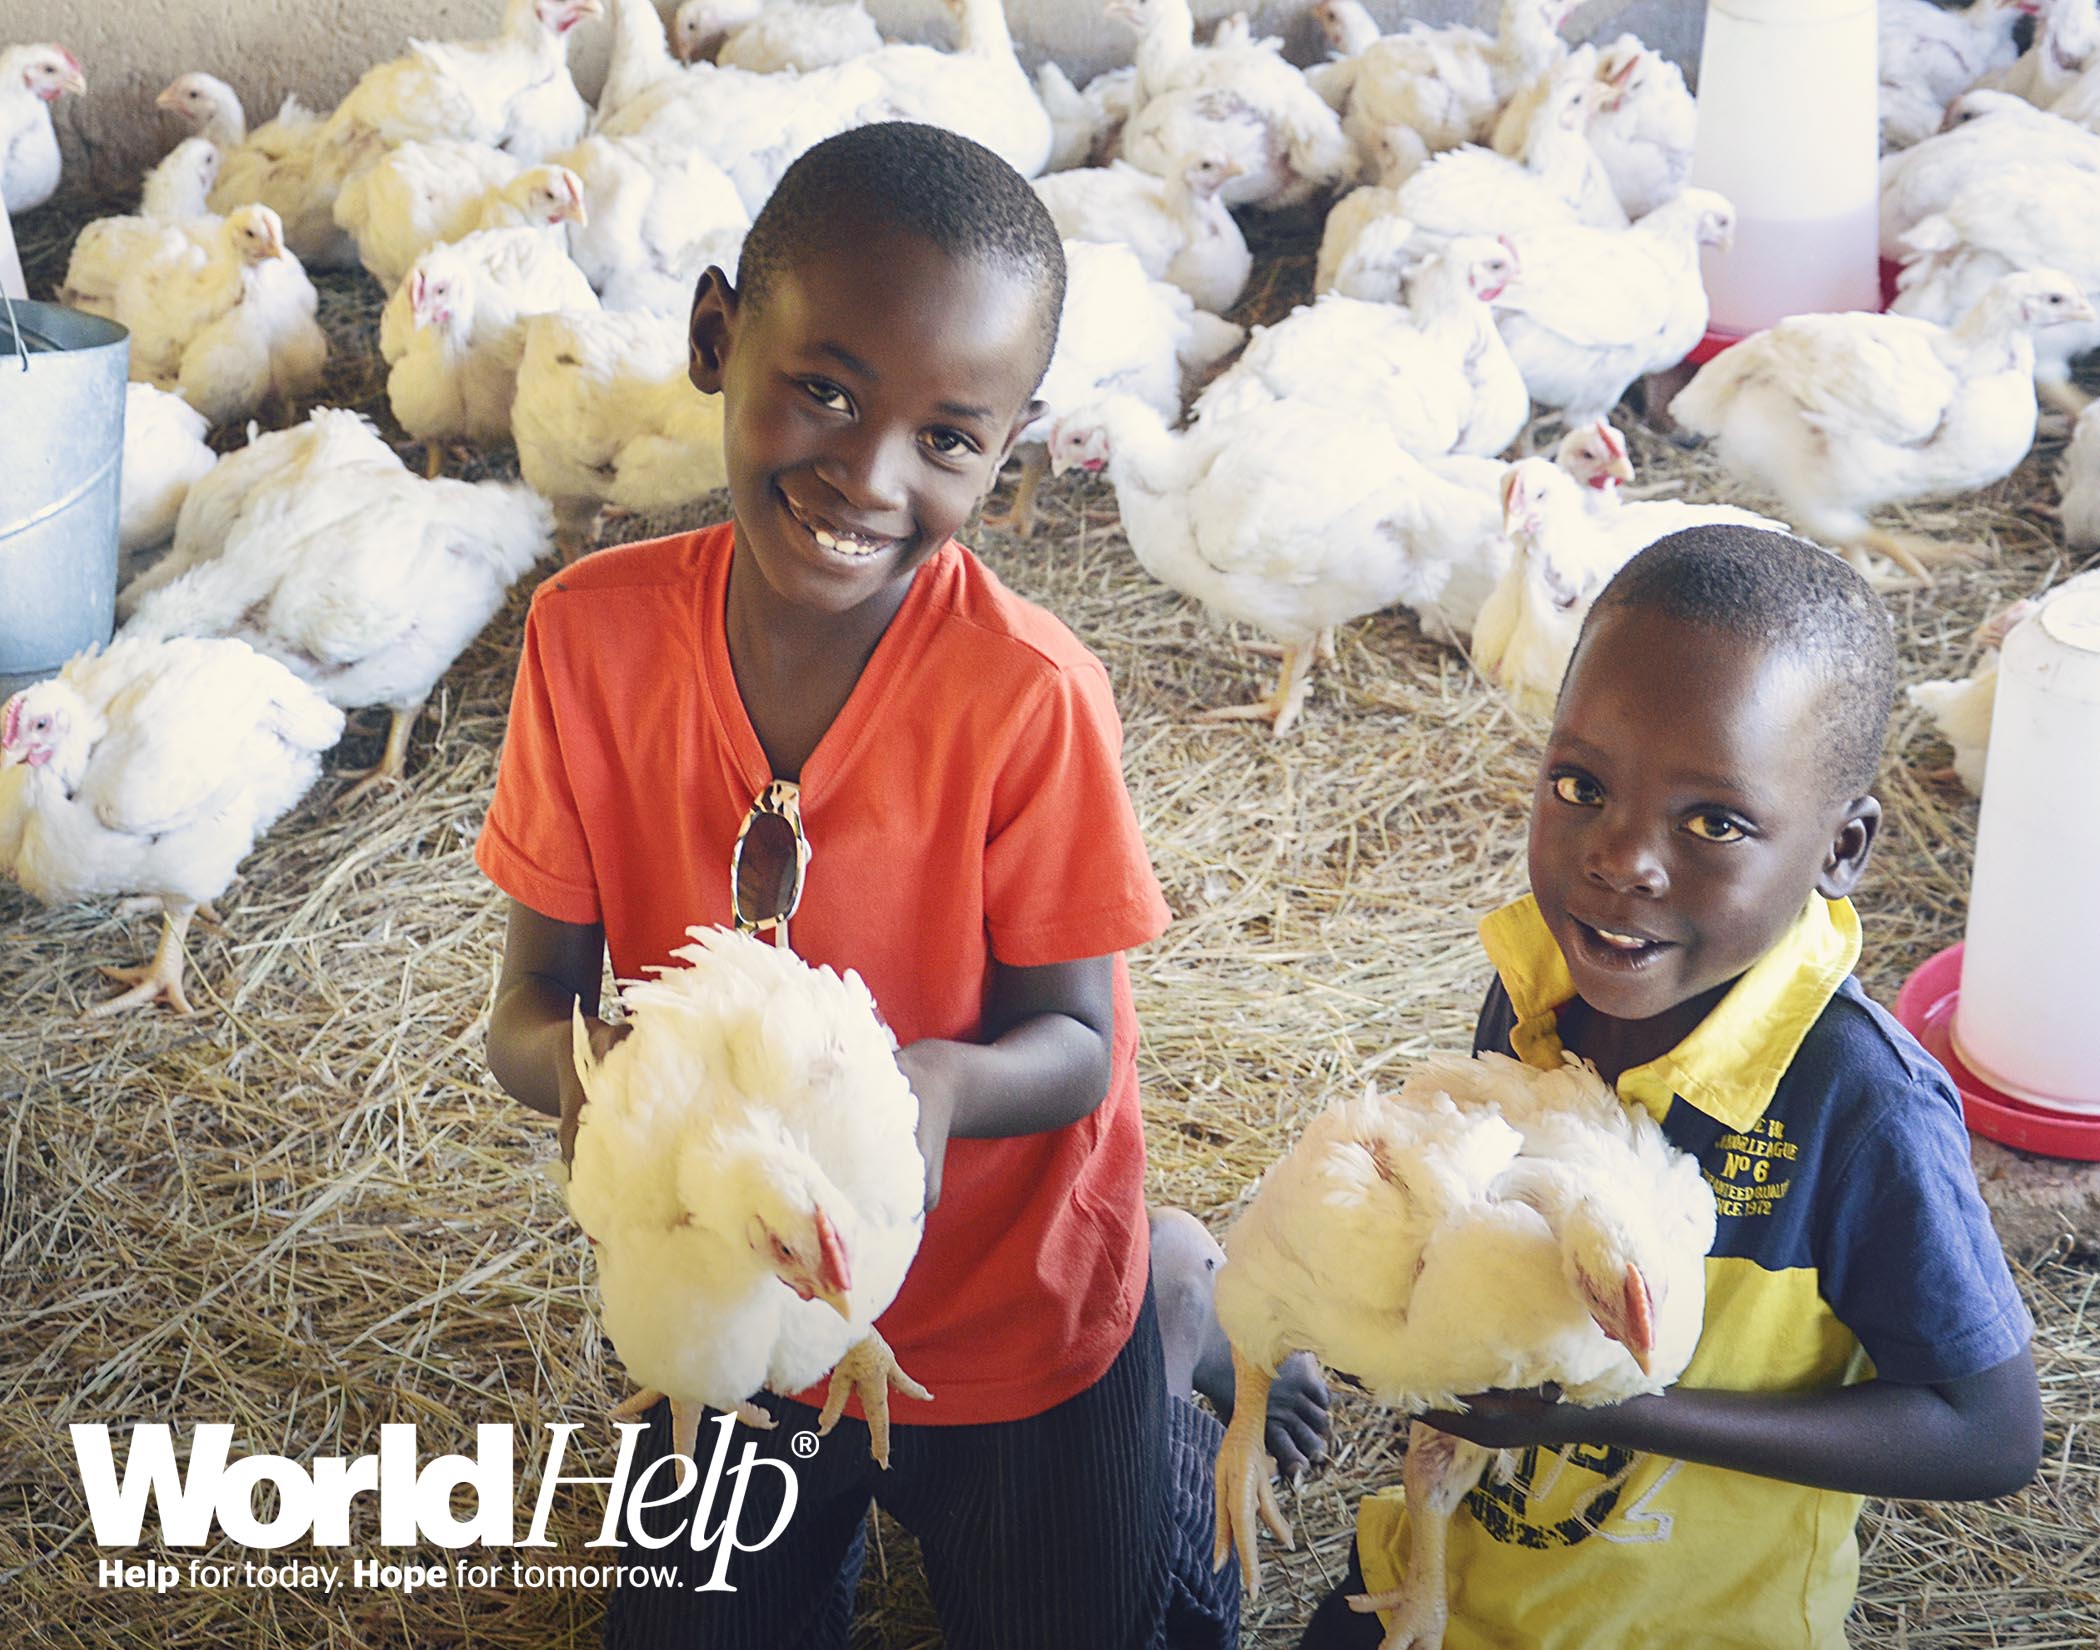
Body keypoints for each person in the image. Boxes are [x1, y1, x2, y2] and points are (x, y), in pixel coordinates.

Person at [475, 121, 1325, 1649]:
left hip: (1008, 1304)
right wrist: (610, 1082)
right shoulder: (587, 641)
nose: (867, 475)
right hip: (752, 1294)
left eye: (946, 437)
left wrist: (933, 1086)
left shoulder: (1026, 696)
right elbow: (529, 1008)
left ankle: (1159, 1319)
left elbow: (1076, 1044)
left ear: (1009, 448)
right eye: (825, 390)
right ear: (714, 337)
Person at [1298, 527, 2042, 1650]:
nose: (1622, 859)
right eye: (1581, 786)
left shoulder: (1858, 1106)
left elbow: (1986, 1433)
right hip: (1442, 1586)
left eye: (1713, 823)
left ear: (1841, 849)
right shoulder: (1540, 987)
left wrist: (1622, 1410)